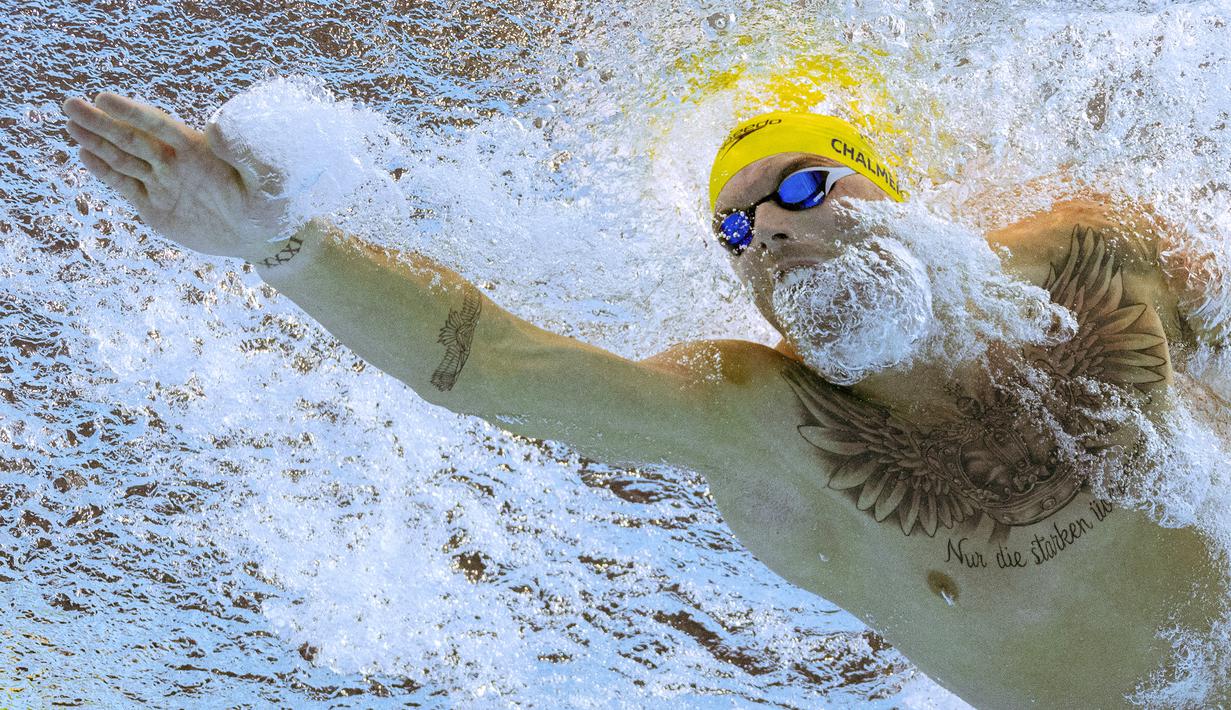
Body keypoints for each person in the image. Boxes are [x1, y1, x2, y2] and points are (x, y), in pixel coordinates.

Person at [61, 91, 1228, 708]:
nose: (767, 228)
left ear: (893, 194)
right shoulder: (767, 426)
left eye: (802, 186)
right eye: (737, 227)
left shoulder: (1089, 255)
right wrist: (282, 244)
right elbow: (490, 359)